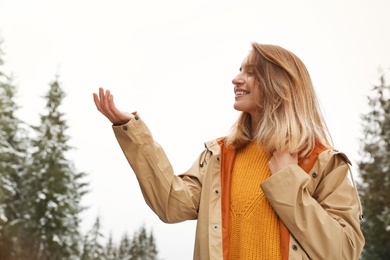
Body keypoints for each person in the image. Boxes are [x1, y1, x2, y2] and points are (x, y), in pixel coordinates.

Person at [93, 42, 365, 260]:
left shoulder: (324, 162)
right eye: (240, 70)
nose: (236, 79)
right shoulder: (220, 156)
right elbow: (171, 205)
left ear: (280, 85)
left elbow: (342, 252)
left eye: (251, 72)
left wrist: (288, 182)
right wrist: (130, 129)